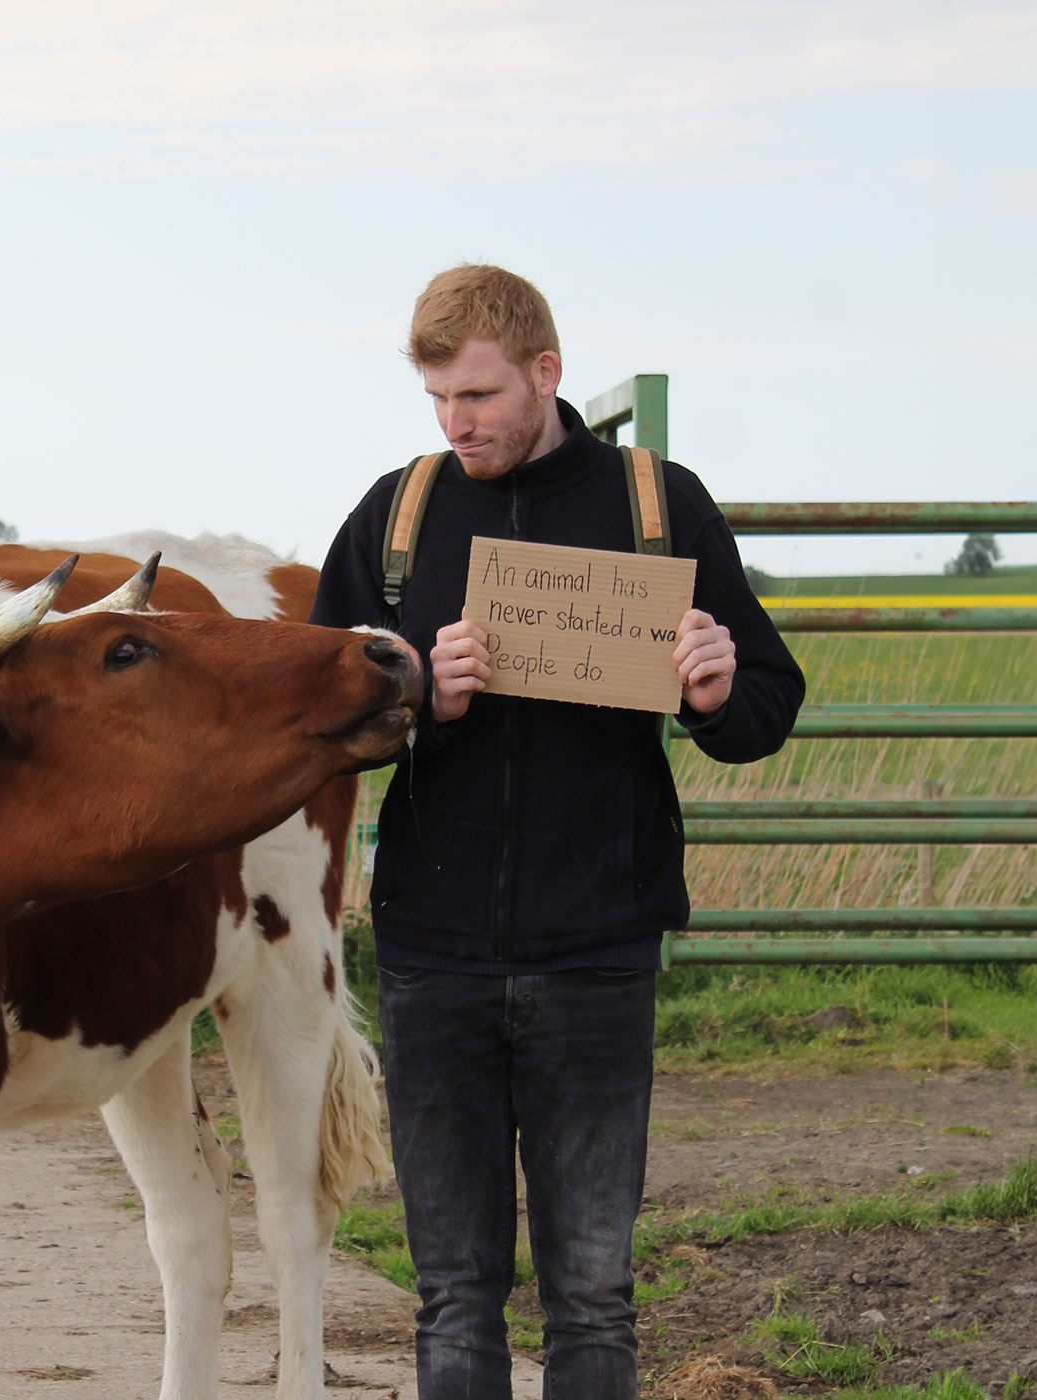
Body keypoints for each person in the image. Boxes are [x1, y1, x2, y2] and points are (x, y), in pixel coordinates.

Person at [309, 265, 804, 1399]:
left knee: (590, 1293)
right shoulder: (396, 513)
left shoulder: (656, 501)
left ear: (545, 372)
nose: (455, 422)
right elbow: (316, 717)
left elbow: (766, 705)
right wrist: (414, 698)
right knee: (451, 1294)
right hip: (433, 955)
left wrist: (716, 691)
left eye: (476, 394)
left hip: (597, 953)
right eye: (436, 398)